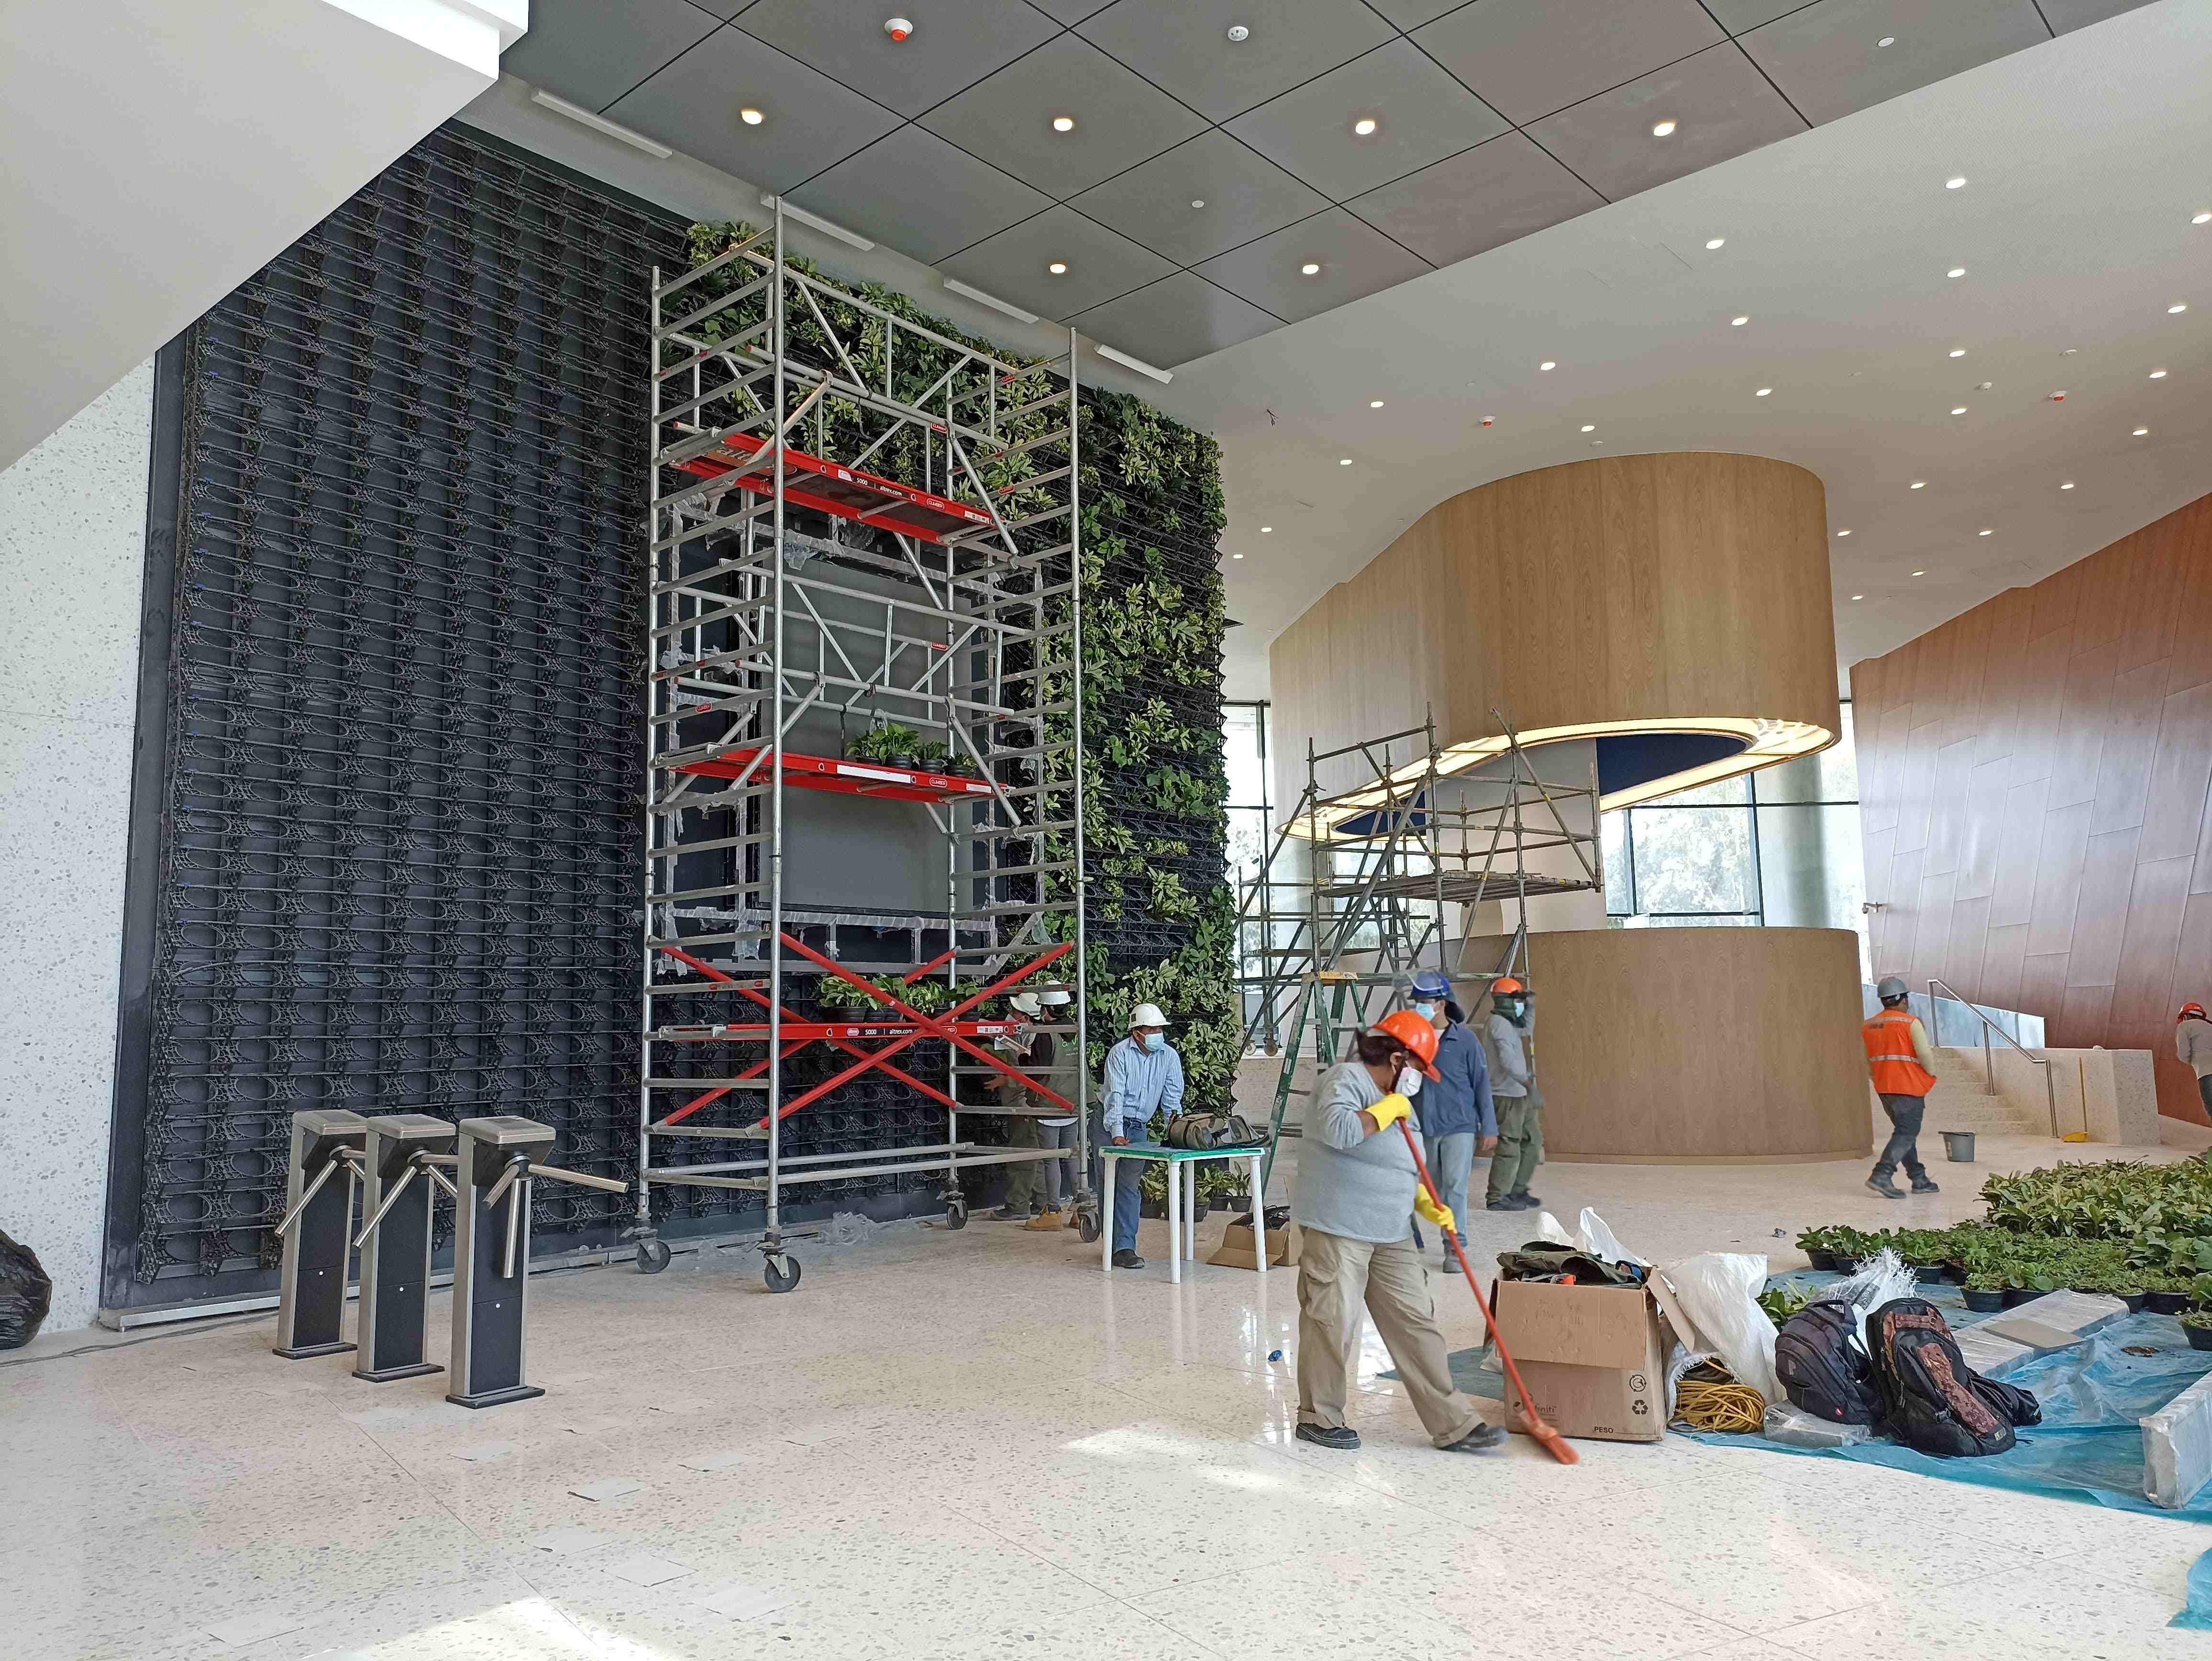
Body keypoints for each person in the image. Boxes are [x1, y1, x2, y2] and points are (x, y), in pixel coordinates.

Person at [1290, 1009, 1507, 1455]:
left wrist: (1424, 1201)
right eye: (1418, 1069)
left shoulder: (1399, 1099)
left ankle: (1455, 1425)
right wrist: (1388, 1108)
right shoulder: (1345, 1080)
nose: (1420, 1080)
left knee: (1417, 1323)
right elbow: (1342, 1130)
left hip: (1392, 1233)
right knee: (1332, 1322)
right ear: (1396, 1059)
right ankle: (1320, 1418)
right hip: (1339, 1229)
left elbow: (1403, 1161)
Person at [1407, 969, 1495, 1263]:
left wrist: (1489, 1127)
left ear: (1441, 1004)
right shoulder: (1412, 1040)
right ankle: (1417, 1238)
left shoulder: (1466, 1041)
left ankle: (1454, 1247)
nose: (1419, 1006)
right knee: (1432, 1188)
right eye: (1416, 1000)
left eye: (1425, 1000)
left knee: (1456, 1185)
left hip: (1460, 1125)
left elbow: (1482, 1085)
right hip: (1424, 1125)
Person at [1100, 1002, 1183, 1269]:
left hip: (1138, 1128)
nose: (1158, 1032)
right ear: (1137, 1032)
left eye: (1160, 1028)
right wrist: (1116, 1133)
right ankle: (1112, 1246)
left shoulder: (1169, 1056)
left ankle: (1124, 1248)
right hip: (1108, 1125)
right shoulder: (1120, 1054)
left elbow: (1172, 1095)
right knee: (1108, 1185)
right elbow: (1116, 1096)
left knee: (1128, 1188)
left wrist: (1176, 1129)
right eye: (1152, 1028)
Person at [1864, 975, 1940, 1198]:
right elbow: (1924, 1053)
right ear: (1903, 1000)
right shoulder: (1910, 1022)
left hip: (1884, 1088)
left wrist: (1877, 1078)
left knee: (1905, 1134)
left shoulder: (1869, 1026)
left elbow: (1867, 1059)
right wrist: (1931, 1071)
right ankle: (1882, 1175)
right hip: (1908, 1087)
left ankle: (1919, 1179)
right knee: (1907, 1133)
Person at [1482, 976, 1543, 1212]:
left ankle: (1516, 1189)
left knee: (1532, 1141)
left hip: (1519, 1091)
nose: (1519, 1004)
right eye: (1516, 1000)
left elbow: (1526, 1028)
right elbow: (1508, 1062)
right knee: (1509, 1146)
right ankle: (1497, 1197)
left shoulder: (1508, 1021)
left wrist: (1530, 1006)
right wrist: (1529, 1084)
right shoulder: (1498, 1024)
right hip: (1507, 1094)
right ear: (1504, 1001)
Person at [988, 991, 1047, 1221]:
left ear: (1024, 1018)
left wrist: (1007, 1080)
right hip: (1021, 1102)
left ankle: (1019, 1204)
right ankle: (1041, 1202)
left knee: (1023, 1155)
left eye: (1014, 1012)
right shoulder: (1029, 1036)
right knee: (1035, 1154)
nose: (1009, 1015)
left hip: (1023, 1104)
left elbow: (1032, 1072)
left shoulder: (1035, 1040)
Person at [1026, 988, 1082, 1232]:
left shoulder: (1044, 1034)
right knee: (1072, 1158)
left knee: (1051, 1160)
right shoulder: (1077, 1029)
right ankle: (1081, 1208)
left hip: (1049, 1104)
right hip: (1073, 1103)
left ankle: (1053, 1212)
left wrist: (1022, 1057)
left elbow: (1037, 1070)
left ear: (1045, 1010)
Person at [2179, 1003, 2212, 1120]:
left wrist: (2194, 1061)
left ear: (2186, 1016)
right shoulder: (2210, 1025)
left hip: (2206, 1072)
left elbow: (2184, 1054)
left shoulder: (2184, 1026)